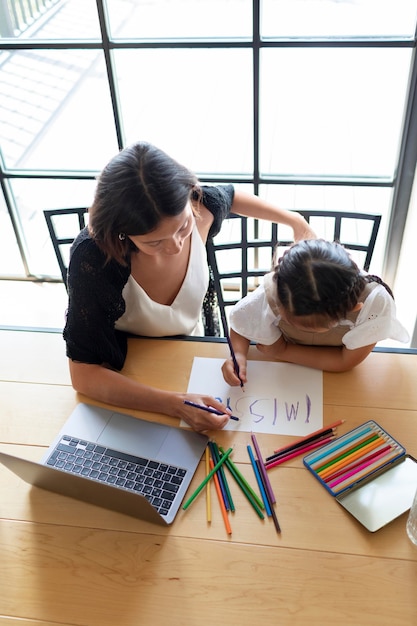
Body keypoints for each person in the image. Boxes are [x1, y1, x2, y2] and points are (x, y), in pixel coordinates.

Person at [63, 141, 315, 432]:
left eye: (182, 227)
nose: (175, 246)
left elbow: (230, 196)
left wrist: (295, 221)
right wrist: (175, 404)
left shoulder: (200, 208)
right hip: (132, 368)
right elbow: (84, 376)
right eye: (154, 242)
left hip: (189, 348)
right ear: (122, 233)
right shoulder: (94, 257)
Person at [222, 238, 409, 384]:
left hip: (334, 378)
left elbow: (345, 361)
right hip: (281, 374)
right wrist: (238, 355)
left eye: (305, 326)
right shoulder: (278, 291)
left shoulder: (373, 306)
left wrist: (282, 350)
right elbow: (242, 323)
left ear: (350, 309)